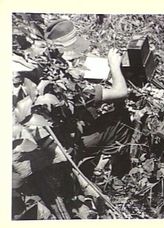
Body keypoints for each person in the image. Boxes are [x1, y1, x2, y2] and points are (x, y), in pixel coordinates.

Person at [45, 19, 133, 178]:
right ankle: (102, 171)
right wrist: (114, 66)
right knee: (121, 120)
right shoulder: (72, 88)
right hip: (71, 145)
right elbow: (121, 92)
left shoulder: (46, 72)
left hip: (57, 138)